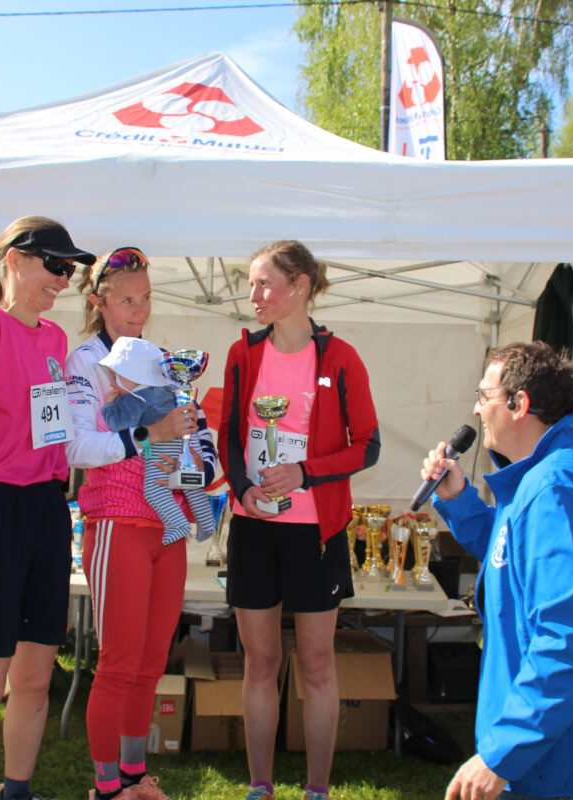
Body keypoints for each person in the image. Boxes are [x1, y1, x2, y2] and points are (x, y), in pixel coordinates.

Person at [421, 341, 573, 800]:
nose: (477, 410)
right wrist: (458, 498)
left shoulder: (553, 488)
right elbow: (509, 552)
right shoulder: (548, 471)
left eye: (484, 396)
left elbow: (571, 642)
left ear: (518, 404)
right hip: (551, 750)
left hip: (552, 760)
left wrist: (502, 752)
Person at [0, 216, 95, 800]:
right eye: (55, 265)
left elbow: (53, 432)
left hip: (45, 511)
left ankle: (17, 791)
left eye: (70, 269)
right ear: (15, 260)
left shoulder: (54, 339)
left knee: (34, 680)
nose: (64, 279)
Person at [219, 240, 380, 800]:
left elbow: (367, 446)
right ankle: (259, 785)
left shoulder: (341, 358)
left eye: (264, 283)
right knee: (260, 662)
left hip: (316, 533)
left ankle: (317, 789)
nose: (254, 295)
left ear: (301, 286)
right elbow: (229, 434)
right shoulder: (242, 354)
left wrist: (305, 473)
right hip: (253, 527)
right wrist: (242, 487)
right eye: (252, 283)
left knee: (315, 664)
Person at [66, 247, 217, 800]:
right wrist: (148, 435)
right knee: (118, 664)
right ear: (98, 301)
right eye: (127, 300)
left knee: (151, 664)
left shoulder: (159, 361)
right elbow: (75, 448)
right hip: (116, 523)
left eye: (147, 298)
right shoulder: (83, 362)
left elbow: (191, 441)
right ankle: (107, 787)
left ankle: (133, 777)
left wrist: (196, 454)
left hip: (166, 525)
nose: (139, 310)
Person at [98, 335, 216, 545]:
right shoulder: (171, 388)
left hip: (162, 445)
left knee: (154, 490)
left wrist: (109, 406)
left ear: (133, 375)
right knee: (191, 484)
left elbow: (117, 424)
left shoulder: (133, 399)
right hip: (189, 442)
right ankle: (207, 523)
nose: (111, 383)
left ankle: (177, 524)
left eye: (116, 376)